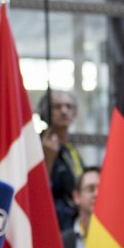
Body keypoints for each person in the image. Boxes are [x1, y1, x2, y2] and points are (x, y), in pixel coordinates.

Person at [37, 89, 84, 231]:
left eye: (69, 106)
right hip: (53, 223)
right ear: (46, 112)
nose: (64, 111)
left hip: (74, 222)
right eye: (57, 107)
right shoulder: (38, 145)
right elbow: (38, 190)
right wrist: (48, 158)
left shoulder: (71, 149)